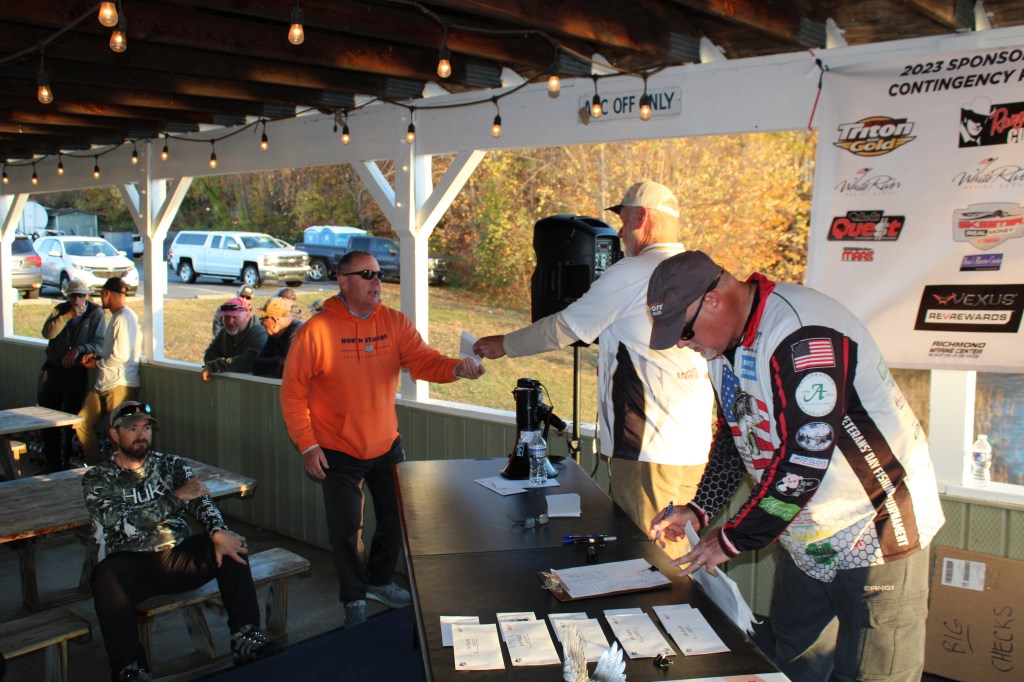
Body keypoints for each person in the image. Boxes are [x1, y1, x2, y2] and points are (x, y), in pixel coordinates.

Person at [645, 250, 945, 682]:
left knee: (874, 672)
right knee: (795, 660)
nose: (681, 343)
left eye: (684, 331)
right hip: (803, 525)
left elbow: (805, 459)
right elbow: (737, 432)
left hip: (874, 523)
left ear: (713, 300)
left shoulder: (803, 335)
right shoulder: (721, 347)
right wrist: (700, 508)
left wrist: (732, 539)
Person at [473, 181, 714, 555]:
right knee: (682, 551)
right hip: (696, 446)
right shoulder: (702, 270)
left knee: (649, 555)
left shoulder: (633, 272)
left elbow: (566, 327)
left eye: (623, 221)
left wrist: (504, 344)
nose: (620, 232)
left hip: (648, 446)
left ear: (641, 217)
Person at [280, 250, 485, 628]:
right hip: (336, 449)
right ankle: (354, 597)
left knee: (397, 518)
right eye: (367, 275)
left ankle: (378, 580)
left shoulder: (394, 322)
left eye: (378, 274)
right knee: (346, 531)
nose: (377, 281)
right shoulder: (317, 331)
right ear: (343, 282)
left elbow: (423, 361)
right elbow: (293, 394)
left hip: (386, 444)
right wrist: (307, 444)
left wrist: (458, 368)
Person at [83, 401, 281, 681]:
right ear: (114, 434)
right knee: (104, 576)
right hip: (132, 565)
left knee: (230, 542)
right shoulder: (98, 478)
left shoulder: (171, 465)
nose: (141, 435)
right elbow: (123, 524)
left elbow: (201, 501)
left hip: (177, 558)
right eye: (132, 429)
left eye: (146, 428)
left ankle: (246, 638)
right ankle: (130, 668)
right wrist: (176, 497)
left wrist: (217, 530)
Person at [38, 279, 105, 472]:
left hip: (75, 372)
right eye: (72, 296)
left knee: (70, 417)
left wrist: (78, 350)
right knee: (48, 416)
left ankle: (66, 463)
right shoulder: (60, 310)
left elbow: (100, 344)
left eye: (81, 295)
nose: (77, 300)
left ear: (87, 296)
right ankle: (51, 461)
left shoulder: (96, 313)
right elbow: (48, 333)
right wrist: (67, 316)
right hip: (53, 368)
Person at [75, 277, 142, 466]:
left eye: (102, 294)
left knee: (119, 433)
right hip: (105, 383)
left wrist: (96, 364)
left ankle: (125, 472)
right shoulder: (117, 317)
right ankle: (97, 466)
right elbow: (112, 353)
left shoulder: (123, 318)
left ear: (107, 293)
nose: (101, 298)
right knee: (81, 422)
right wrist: (97, 357)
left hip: (120, 384)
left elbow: (120, 356)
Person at [201, 297, 268, 382]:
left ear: (247, 315)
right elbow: (209, 355)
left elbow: (250, 361)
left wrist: (215, 366)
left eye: (235, 317)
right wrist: (231, 363)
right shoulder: (225, 331)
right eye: (226, 317)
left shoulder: (259, 331)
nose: (230, 322)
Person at [253, 297, 302, 379]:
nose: (261, 323)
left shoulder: (298, 334)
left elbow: (288, 371)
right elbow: (256, 365)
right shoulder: (275, 333)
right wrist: (279, 360)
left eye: (263, 318)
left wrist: (274, 364)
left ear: (274, 320)